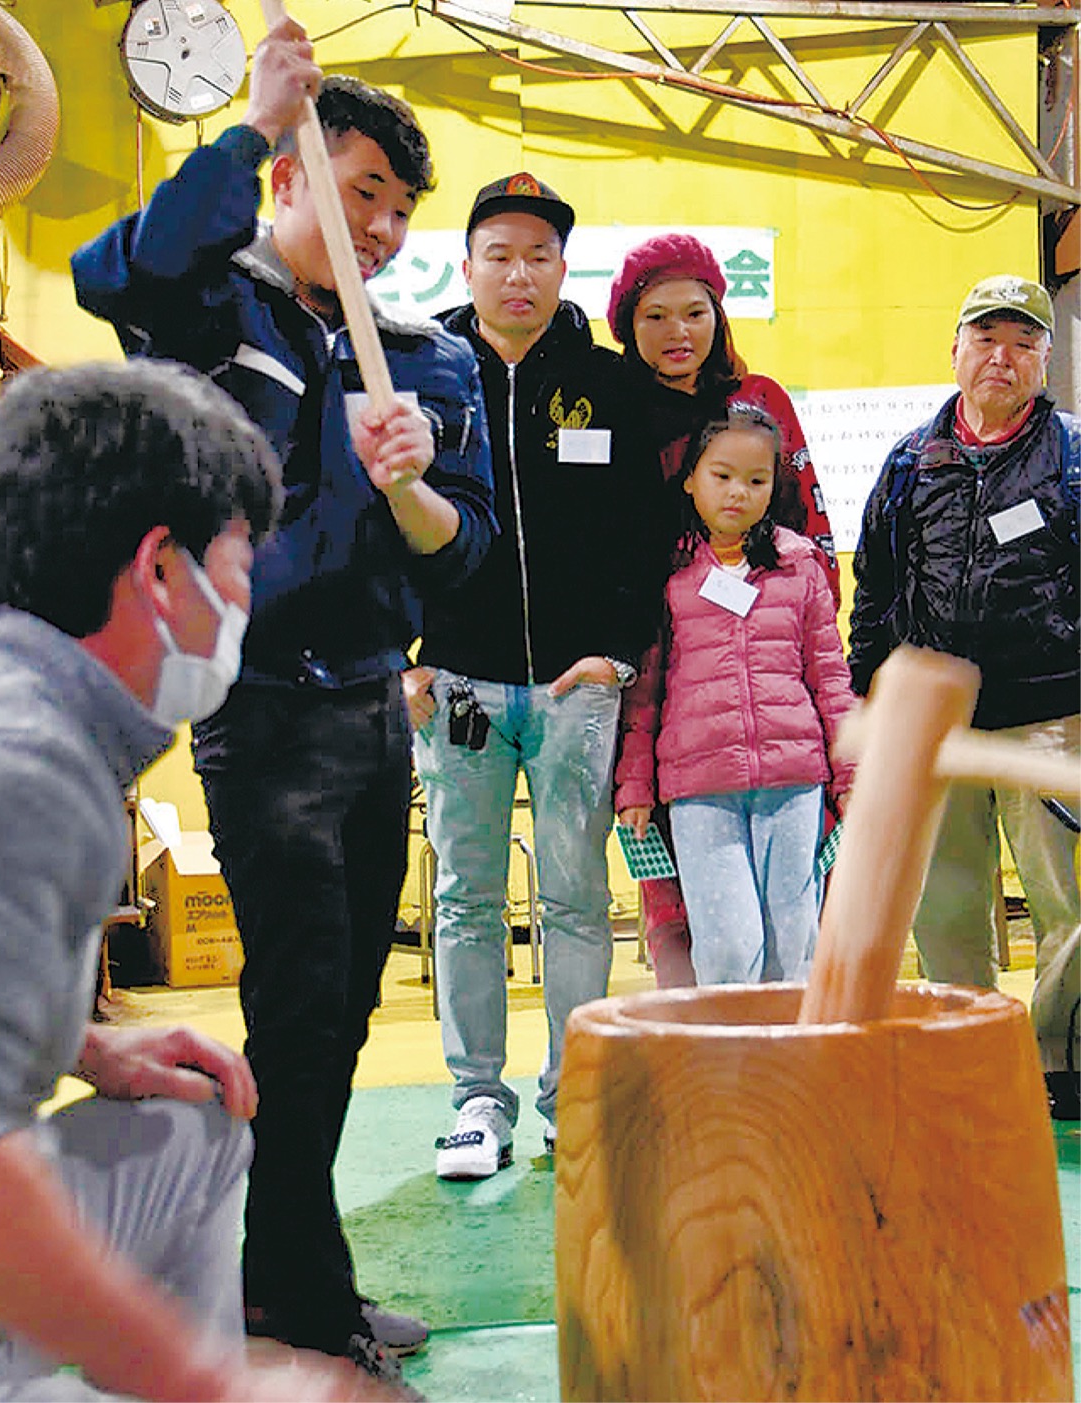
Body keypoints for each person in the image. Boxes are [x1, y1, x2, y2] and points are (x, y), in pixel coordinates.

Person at [71, 20, 497, 1380]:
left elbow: (468, 546)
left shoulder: (426, 357)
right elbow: (119, 265)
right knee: (304, 1003)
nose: (378, 225)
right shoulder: (215, 301)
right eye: (357, 188)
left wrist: (411, 483)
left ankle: (289, 1278)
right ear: (296, 183)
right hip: (262, 709)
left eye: (396, 207)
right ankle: (290, 1301)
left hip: (379, 706)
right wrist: (255, 121)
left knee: (346, 1006)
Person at [0, 359, 403, 1402]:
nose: (246, 599)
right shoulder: (24, 763)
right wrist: (211, 1382)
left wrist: (79, 1044)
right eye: (241, 562)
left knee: (196, 1120)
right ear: (161, 571)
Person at [402, 172, 670, 1180]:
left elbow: (644, 537)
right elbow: (373, 520)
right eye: (498, 253)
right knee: (467, 897)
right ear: (465, 264)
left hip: (577, 690)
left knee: (571, 895)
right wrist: (404, 661)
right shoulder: (422, 370)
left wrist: (615, 654)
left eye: (539, 255)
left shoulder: (607, 384)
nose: (519, 273)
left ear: (564, 268)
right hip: (457, 689)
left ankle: (575, 1091)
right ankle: (477, 1097)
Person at [849, 273, 1080, 1121]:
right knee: (944, 903)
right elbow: (872, 587)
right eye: (986, 338)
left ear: (1045, 360)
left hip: (1048, 714)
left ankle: (1061, 1057)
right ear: (955, 351)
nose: (1002, 357)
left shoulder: (1075, 458)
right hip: (932, 728)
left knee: (1070, 905)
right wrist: (868, 694)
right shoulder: (912, 463)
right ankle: (967, 1046)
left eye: (1024, 341)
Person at [606, 232, 841, 988]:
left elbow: (810, 524)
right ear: (627, 326)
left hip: (778, 706)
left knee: (790, 920)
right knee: (693, 917)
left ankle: (787, 1078)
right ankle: (705, 1072)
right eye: (655, 317)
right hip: (665, 685)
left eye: (694, 313)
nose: (677, 334)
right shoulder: (616, 412)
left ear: (718, 313)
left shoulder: (759, 400)